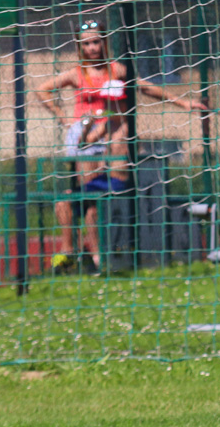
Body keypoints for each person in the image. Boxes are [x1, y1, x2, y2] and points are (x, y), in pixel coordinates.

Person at [36, 20, 208, 272]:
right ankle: (74, 251)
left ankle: (98, 257)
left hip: (110, 134)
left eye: (96, 41)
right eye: (87, 44)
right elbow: (42, 90)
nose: (92, 47)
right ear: (80, 47)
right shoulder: (76, 73)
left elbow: (145, 87)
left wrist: (182, 103)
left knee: (97, 200)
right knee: (85, 198)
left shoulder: (116, 70)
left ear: (104, 42)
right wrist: (62, 117)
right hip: (84, 137)